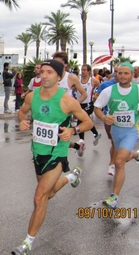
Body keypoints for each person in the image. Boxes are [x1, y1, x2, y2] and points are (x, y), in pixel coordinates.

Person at [12, 59, 93, 254]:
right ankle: (71, 177)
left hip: (57, 153)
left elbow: (88, 122)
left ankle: (27, 242)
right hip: (37, 151)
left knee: (39, 197)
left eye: (49, 72)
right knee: (50, 194)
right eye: (42, 72)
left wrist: (72, 130)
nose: (44, 75)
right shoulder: (32, 96)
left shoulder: (67, 100)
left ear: (59, 76)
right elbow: (21, 113)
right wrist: (22, 122)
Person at [94, 62, 139, 209]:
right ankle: (138, 155)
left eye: (126, 73)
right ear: (116, 74)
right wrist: (104, 118)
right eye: (120, 73)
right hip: (116, 131)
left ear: (132, 75)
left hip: (131, 130)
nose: (122, 76)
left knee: (119, 162)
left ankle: (114, 197)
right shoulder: (109, 90)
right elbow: (97, 108)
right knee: (122, 158)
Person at [52, 52, 87, 156]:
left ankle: (58, 163)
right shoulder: (50, 76)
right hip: (52, 111)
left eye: (59, 63)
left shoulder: (71, 78)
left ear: (65, 64)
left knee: (57, 138)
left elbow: (84, 94)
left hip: (64, 113)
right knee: (54, 139)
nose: (56, 65)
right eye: (54, 62)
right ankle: (77, 146)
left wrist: (75, 105)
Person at [75, 64, 101, 146]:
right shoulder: (78, 80)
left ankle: (81, 141)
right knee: (86, 120)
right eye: (82, 70)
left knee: (81, 120)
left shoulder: (92, 80)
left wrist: (96, 95)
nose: (82, 72)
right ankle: (96, 134)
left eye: (84, 70)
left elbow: (100, 87)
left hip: (88, 104)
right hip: (79, 104)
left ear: (89, 71)